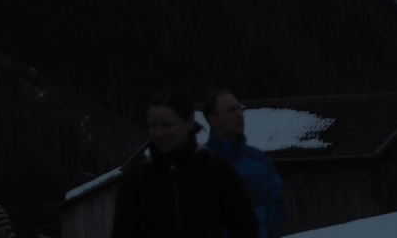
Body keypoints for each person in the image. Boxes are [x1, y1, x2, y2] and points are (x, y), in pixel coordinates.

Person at [111, 88, 258, 238]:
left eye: (166, 125)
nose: (158, 133)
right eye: (152, 125)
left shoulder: (217, 171)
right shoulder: (136, 180)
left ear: (189, 122)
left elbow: (244, 227)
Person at [201, 89, 284, 238]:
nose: (239, 114)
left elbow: (276, 205)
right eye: (231, 110)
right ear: (214, 120)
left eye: (240, 108)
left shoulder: (260, 161)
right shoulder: (200, 165)